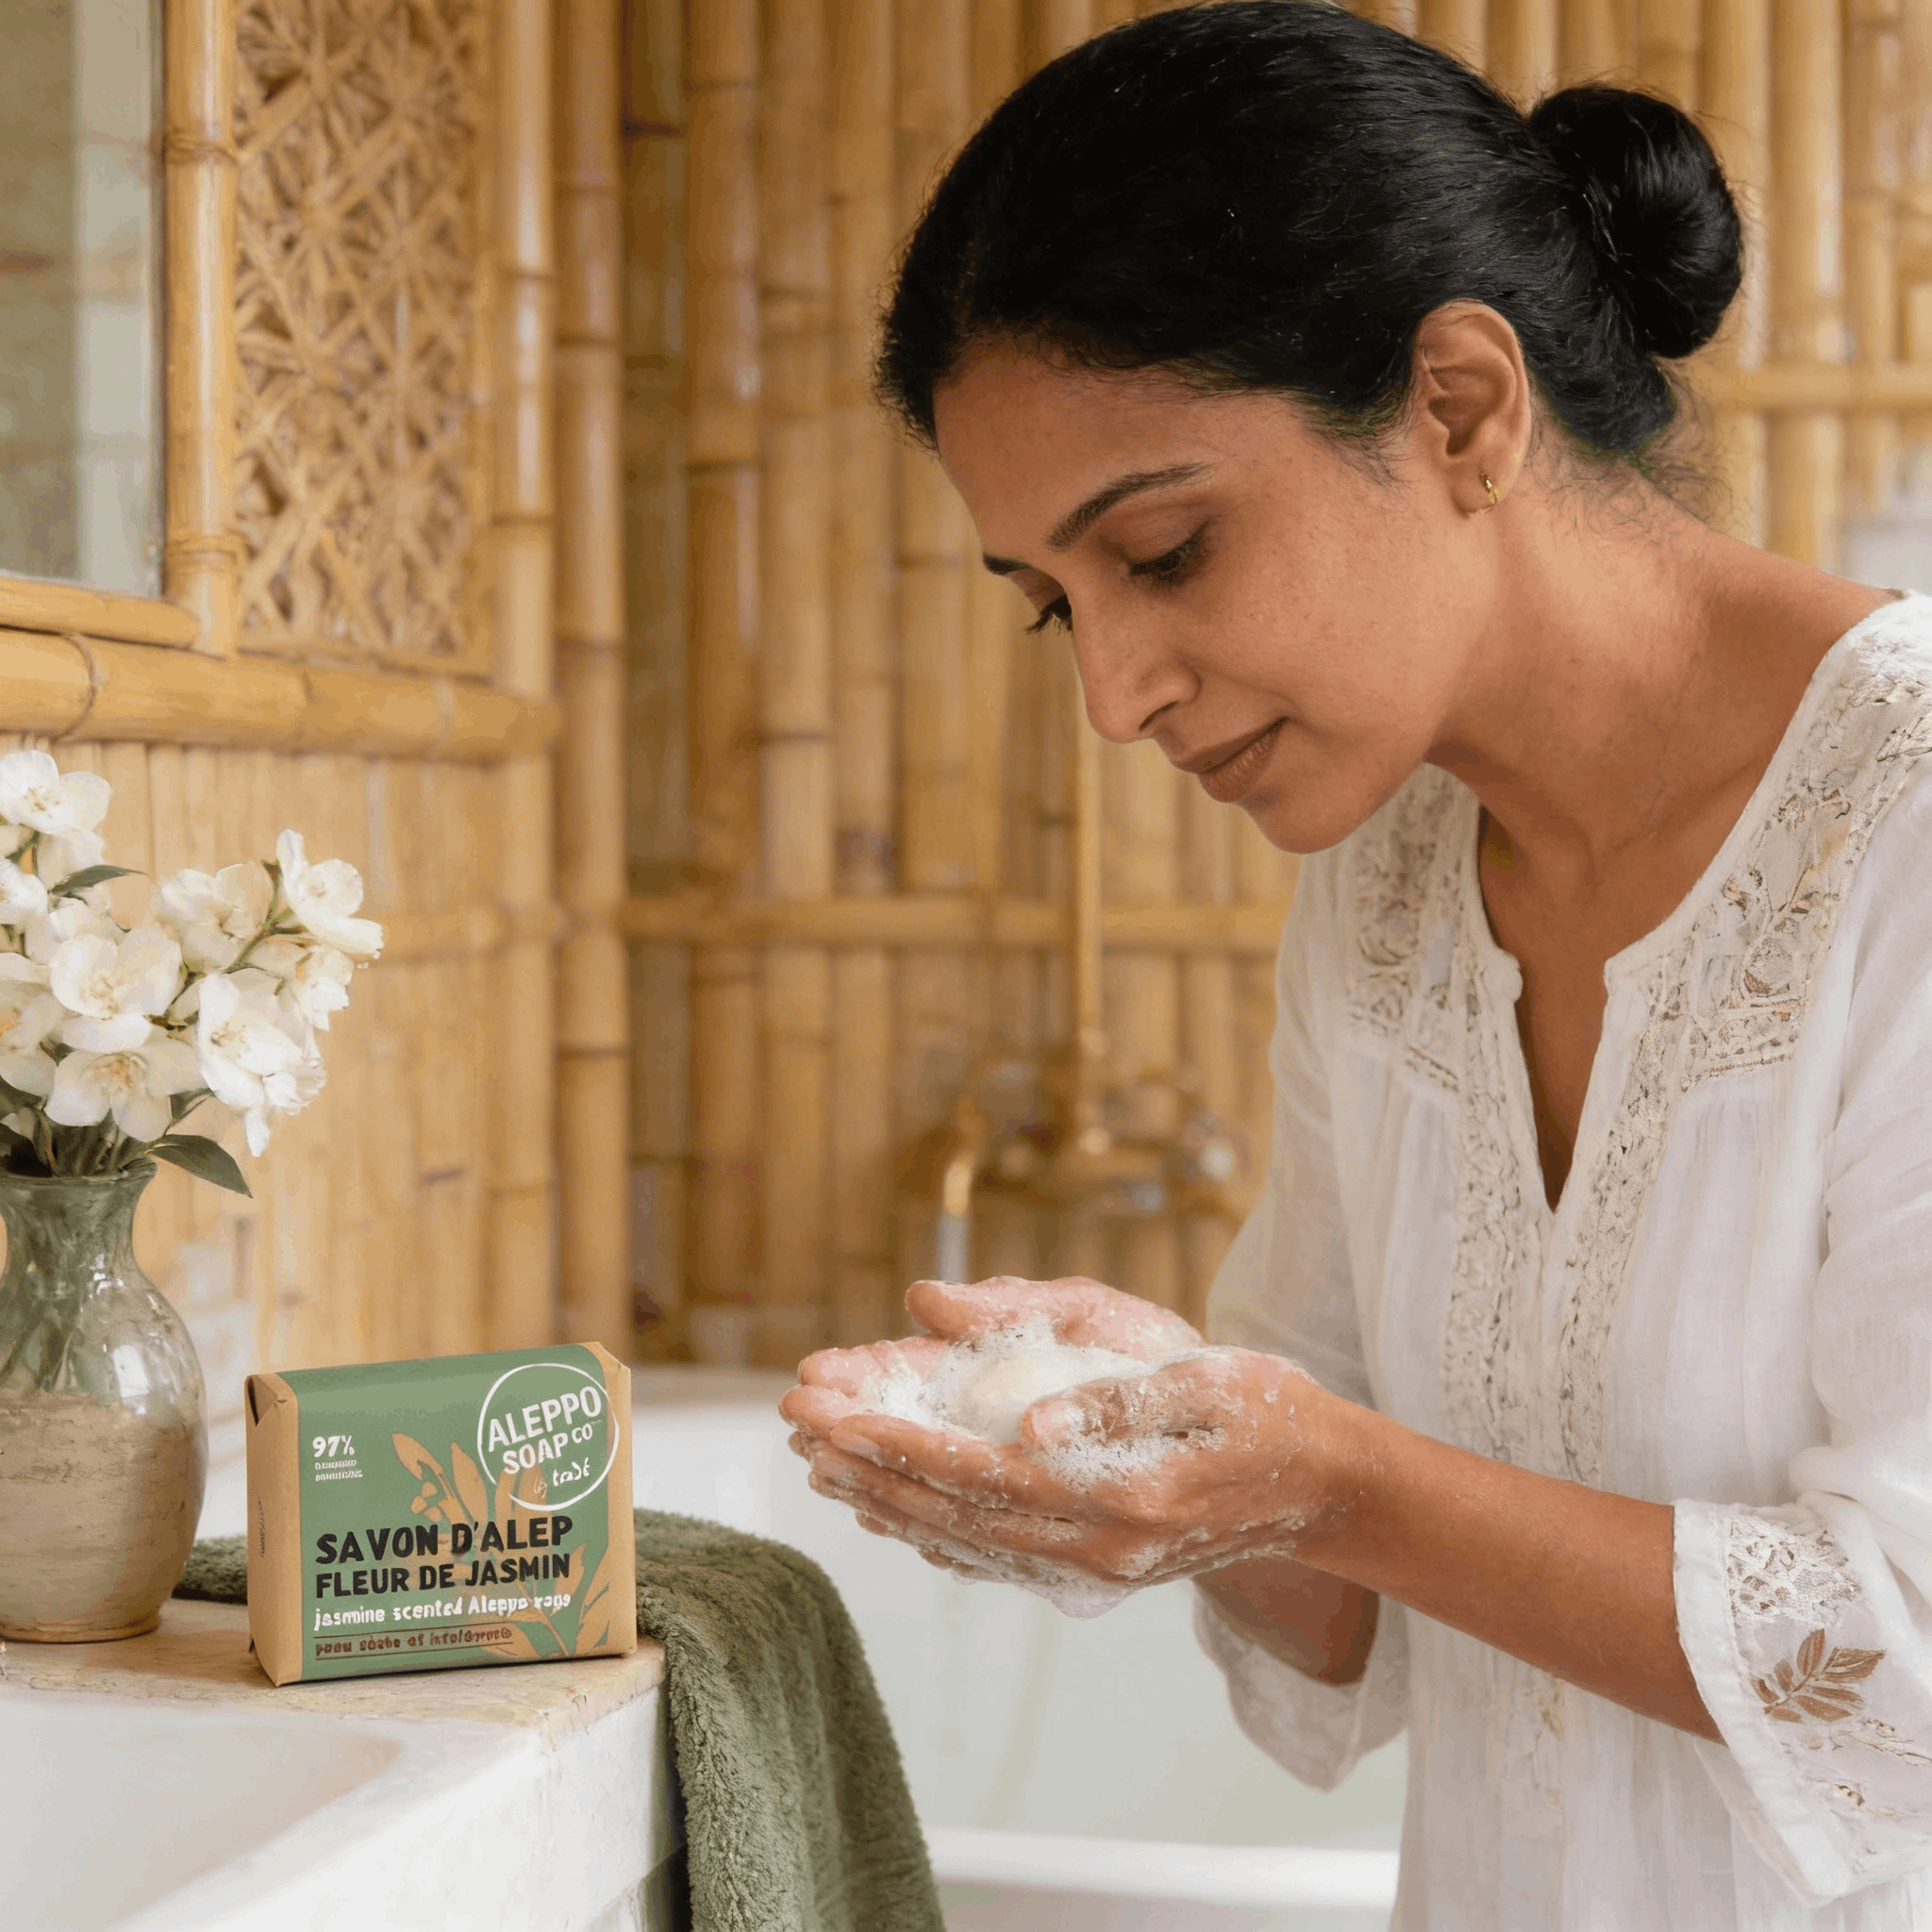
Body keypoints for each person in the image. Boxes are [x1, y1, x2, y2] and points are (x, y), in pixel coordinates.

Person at [779, 5, 1932, 1924]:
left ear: (1463, 406)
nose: (1115, 693)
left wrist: (1331, 1479)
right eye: (1051, 606)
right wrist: (1119, 1441)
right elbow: (1342, 1625)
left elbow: (1902, 1655)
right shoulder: (1387, 877)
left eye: (1160, 551)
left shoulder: (1902, 822)